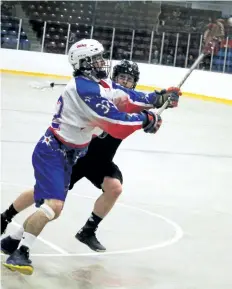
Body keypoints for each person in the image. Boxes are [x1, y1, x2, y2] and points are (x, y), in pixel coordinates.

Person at [1, 40, 180, 275]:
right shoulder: (85, 90)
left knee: (54, 207)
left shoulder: (99, 83)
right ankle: (20, 252)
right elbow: (115, 122)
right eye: (96, 59)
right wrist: (146, 120)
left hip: (72, 152)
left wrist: (158, 97)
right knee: (53, 205)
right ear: (84, 63)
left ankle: (11, 241)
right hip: (54, 151)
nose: (101, 63)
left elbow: (126, 96)